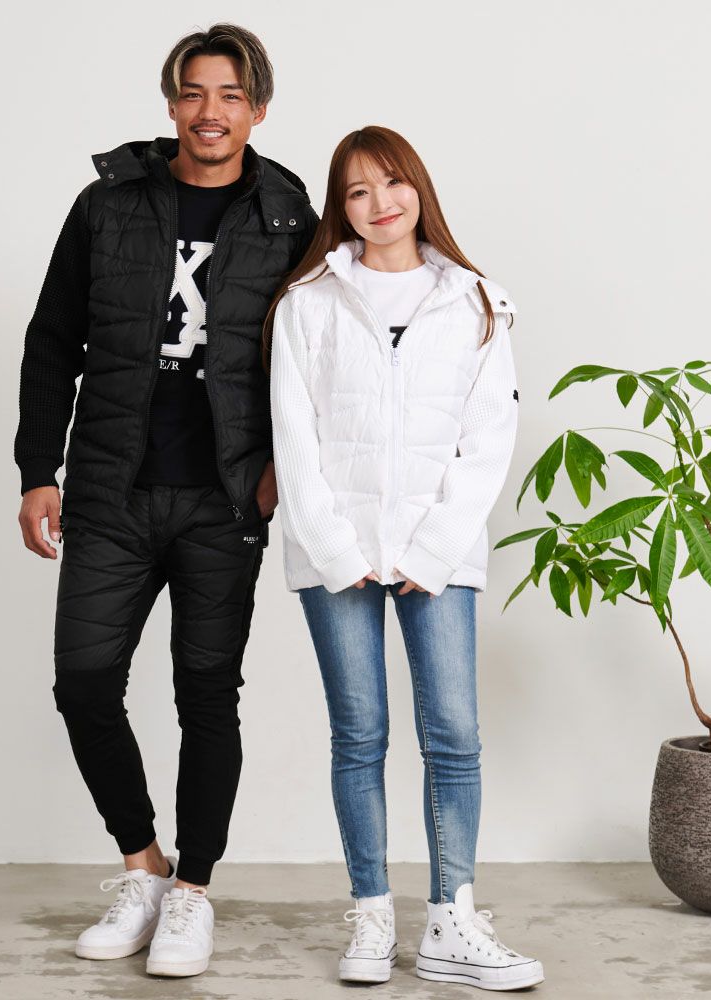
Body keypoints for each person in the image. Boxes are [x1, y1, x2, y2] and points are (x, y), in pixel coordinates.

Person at [13, 24, 317, 979]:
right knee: (84, 683)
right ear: (172, 103)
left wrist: (283, 469)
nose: (209, 112)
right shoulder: (108, 205)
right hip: (111, 490)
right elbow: (52, 339)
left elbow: (316, 357)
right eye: (193, 93)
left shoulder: (289, 214)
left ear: (257, 108)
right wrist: (37, 470)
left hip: (224, 498)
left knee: (206, 696)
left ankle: (193, 893)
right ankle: (144, 867)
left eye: (229, 95)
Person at [266, 125, 544, 990]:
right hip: (335, 552)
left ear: (418, 187)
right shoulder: (308, 301)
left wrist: (433, 548)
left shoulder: (477, 301)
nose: (379, 204)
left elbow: (488, 439)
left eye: (392, 183)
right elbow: (294, 435)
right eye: (357, 191)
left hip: (440, 552)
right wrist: (335, 548)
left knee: (453, 737)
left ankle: (453, 920)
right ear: (339, 207)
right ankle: (371, 916)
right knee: (360, 736)